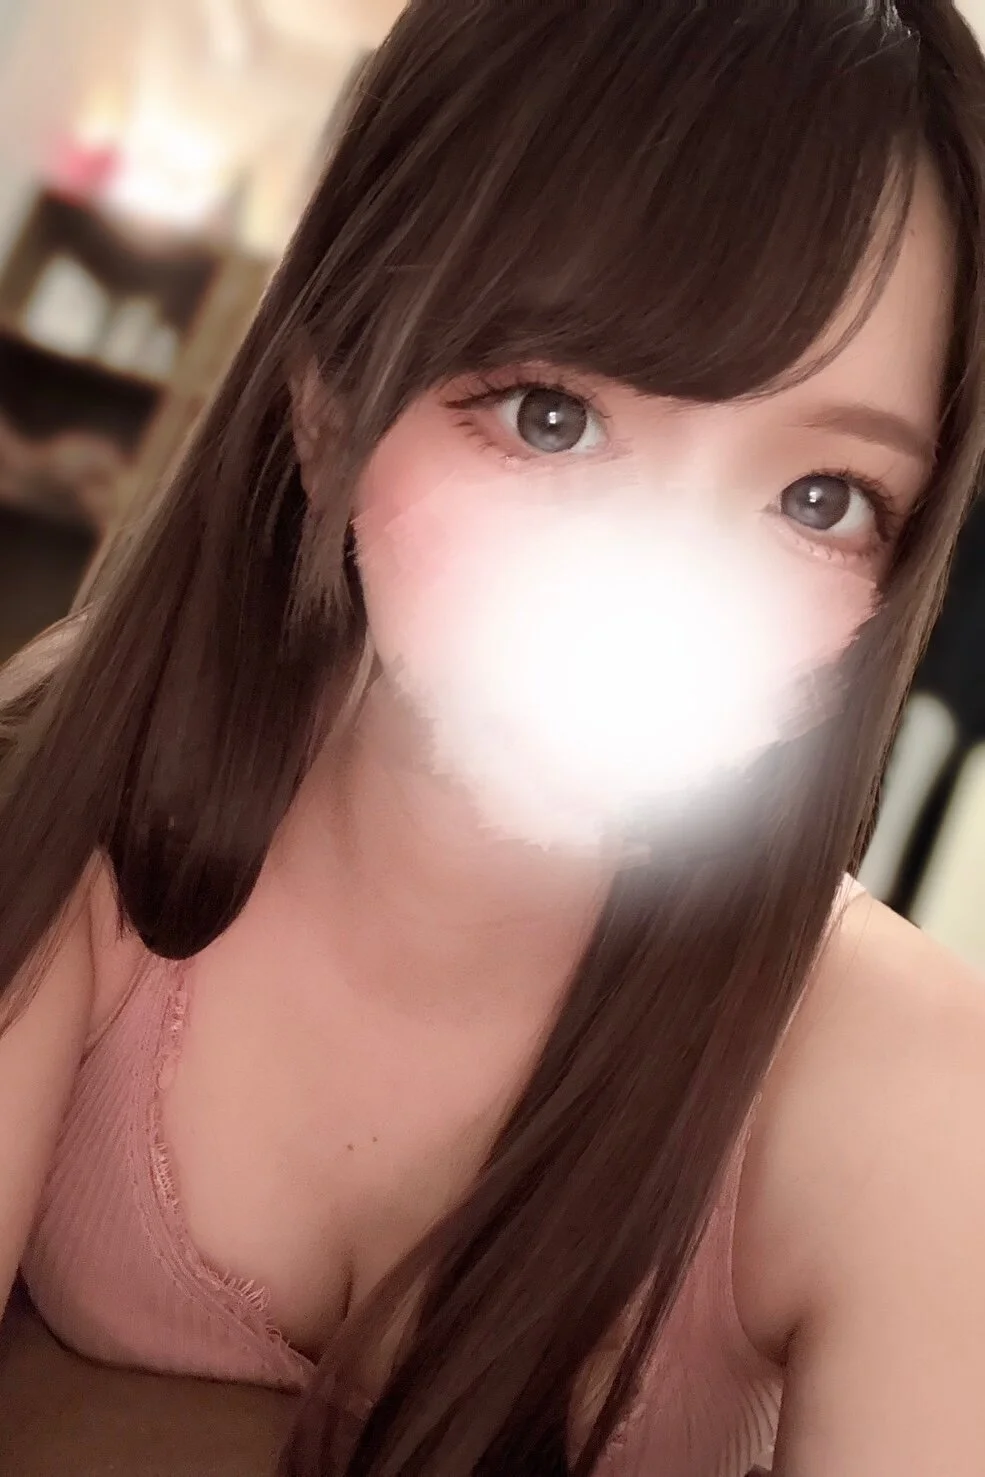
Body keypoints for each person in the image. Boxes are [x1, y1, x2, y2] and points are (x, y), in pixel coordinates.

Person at [2, 3, 985, 1474]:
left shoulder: (914, 1100)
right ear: (326, 403)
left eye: (821, 500)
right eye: (550, 416)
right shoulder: (93, 780)